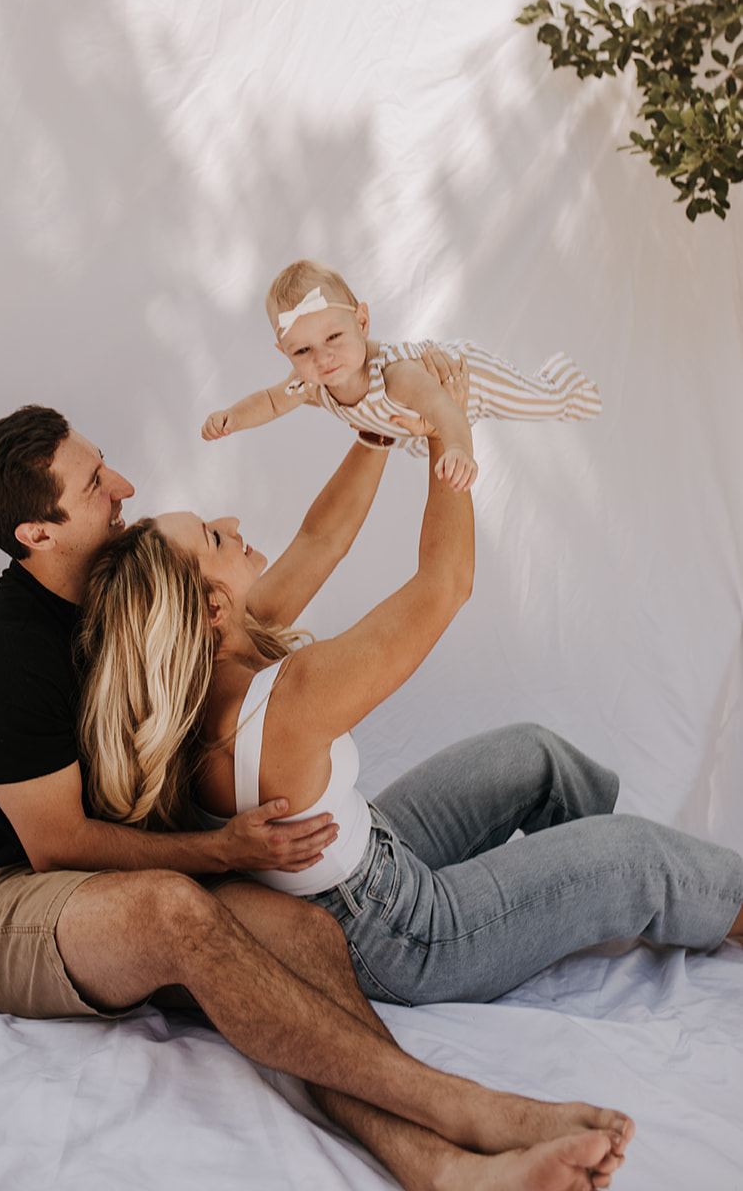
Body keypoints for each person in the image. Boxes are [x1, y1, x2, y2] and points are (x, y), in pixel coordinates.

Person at [0, 401, 634, 1191]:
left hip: (122, 882)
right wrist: (218, 849)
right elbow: (56, 847)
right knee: (173, 909)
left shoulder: (136, 596)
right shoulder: (11, 658)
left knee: (306, 935)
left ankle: (437, 1167)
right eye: (96, 482)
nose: (122, 484)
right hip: (10, 904)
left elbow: (310, 549)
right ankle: (465, 1109)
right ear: (37, 533)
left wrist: (374, 423)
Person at [80, 405, 743, 1012]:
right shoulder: (289, 700)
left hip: (369, 857)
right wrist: (448, 438)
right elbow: (445, 584)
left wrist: (375, 432)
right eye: (212, 538)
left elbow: (320, 538)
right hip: (409, 939)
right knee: (635, 858)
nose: (230, 524)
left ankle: (592, 893)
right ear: (210, 609)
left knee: (533, 755)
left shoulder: (197, 675)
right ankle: (666, 888)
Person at [201, 258, 601, 490]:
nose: (322, 358)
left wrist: (460, 448)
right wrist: (233, 418)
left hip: (463, 379)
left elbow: (444, 408)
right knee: (420, 434)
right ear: (284, 353)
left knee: (535, 402)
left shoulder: (394, 376)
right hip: (418, 416)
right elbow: (270, 402)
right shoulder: (307, 383)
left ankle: (566, 386)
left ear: (363, 321)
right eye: (303, 350)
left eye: (334, 336)